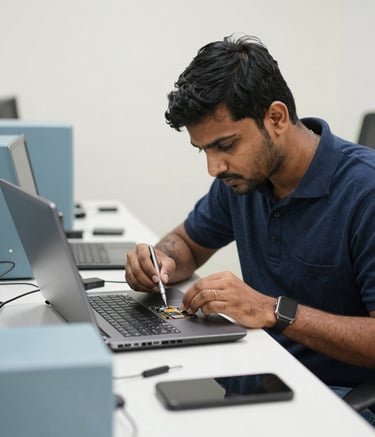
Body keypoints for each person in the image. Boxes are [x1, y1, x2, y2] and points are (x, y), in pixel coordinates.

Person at [125, 34, 375, 423]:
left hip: (339, 399)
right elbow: (188, 245)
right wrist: (162, 259)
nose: (214, 167)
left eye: (224, 145)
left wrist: (273, 310)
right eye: (203, 150)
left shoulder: (365, 192)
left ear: (276, 118)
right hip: (261, 373)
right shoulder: (244, 180)